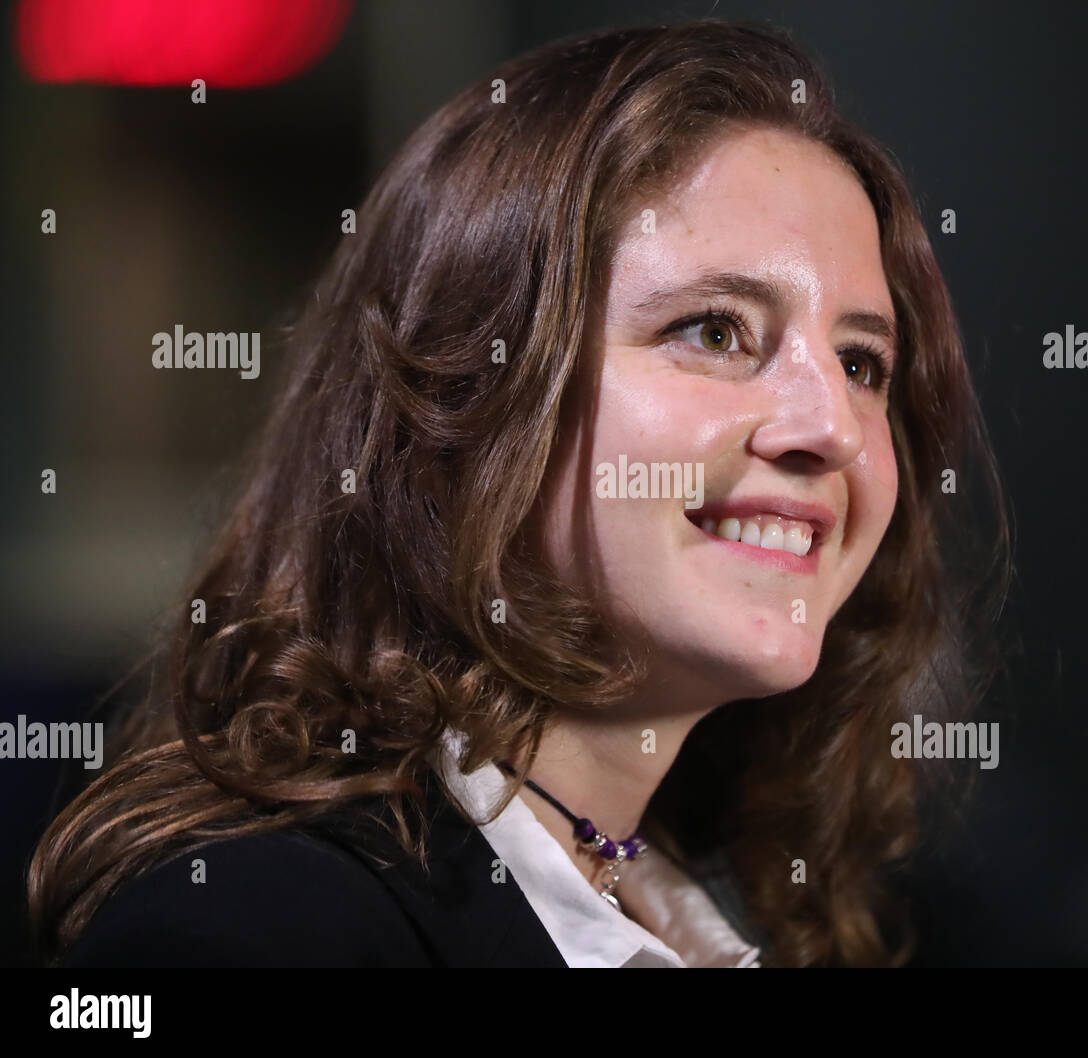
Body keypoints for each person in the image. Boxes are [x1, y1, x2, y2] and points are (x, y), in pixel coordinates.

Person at [28, 16, 1010, 968]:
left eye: (861, 362)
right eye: (717, 330)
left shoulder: (733, 910)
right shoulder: (257, 929)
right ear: (466, 390)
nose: (831, 425)